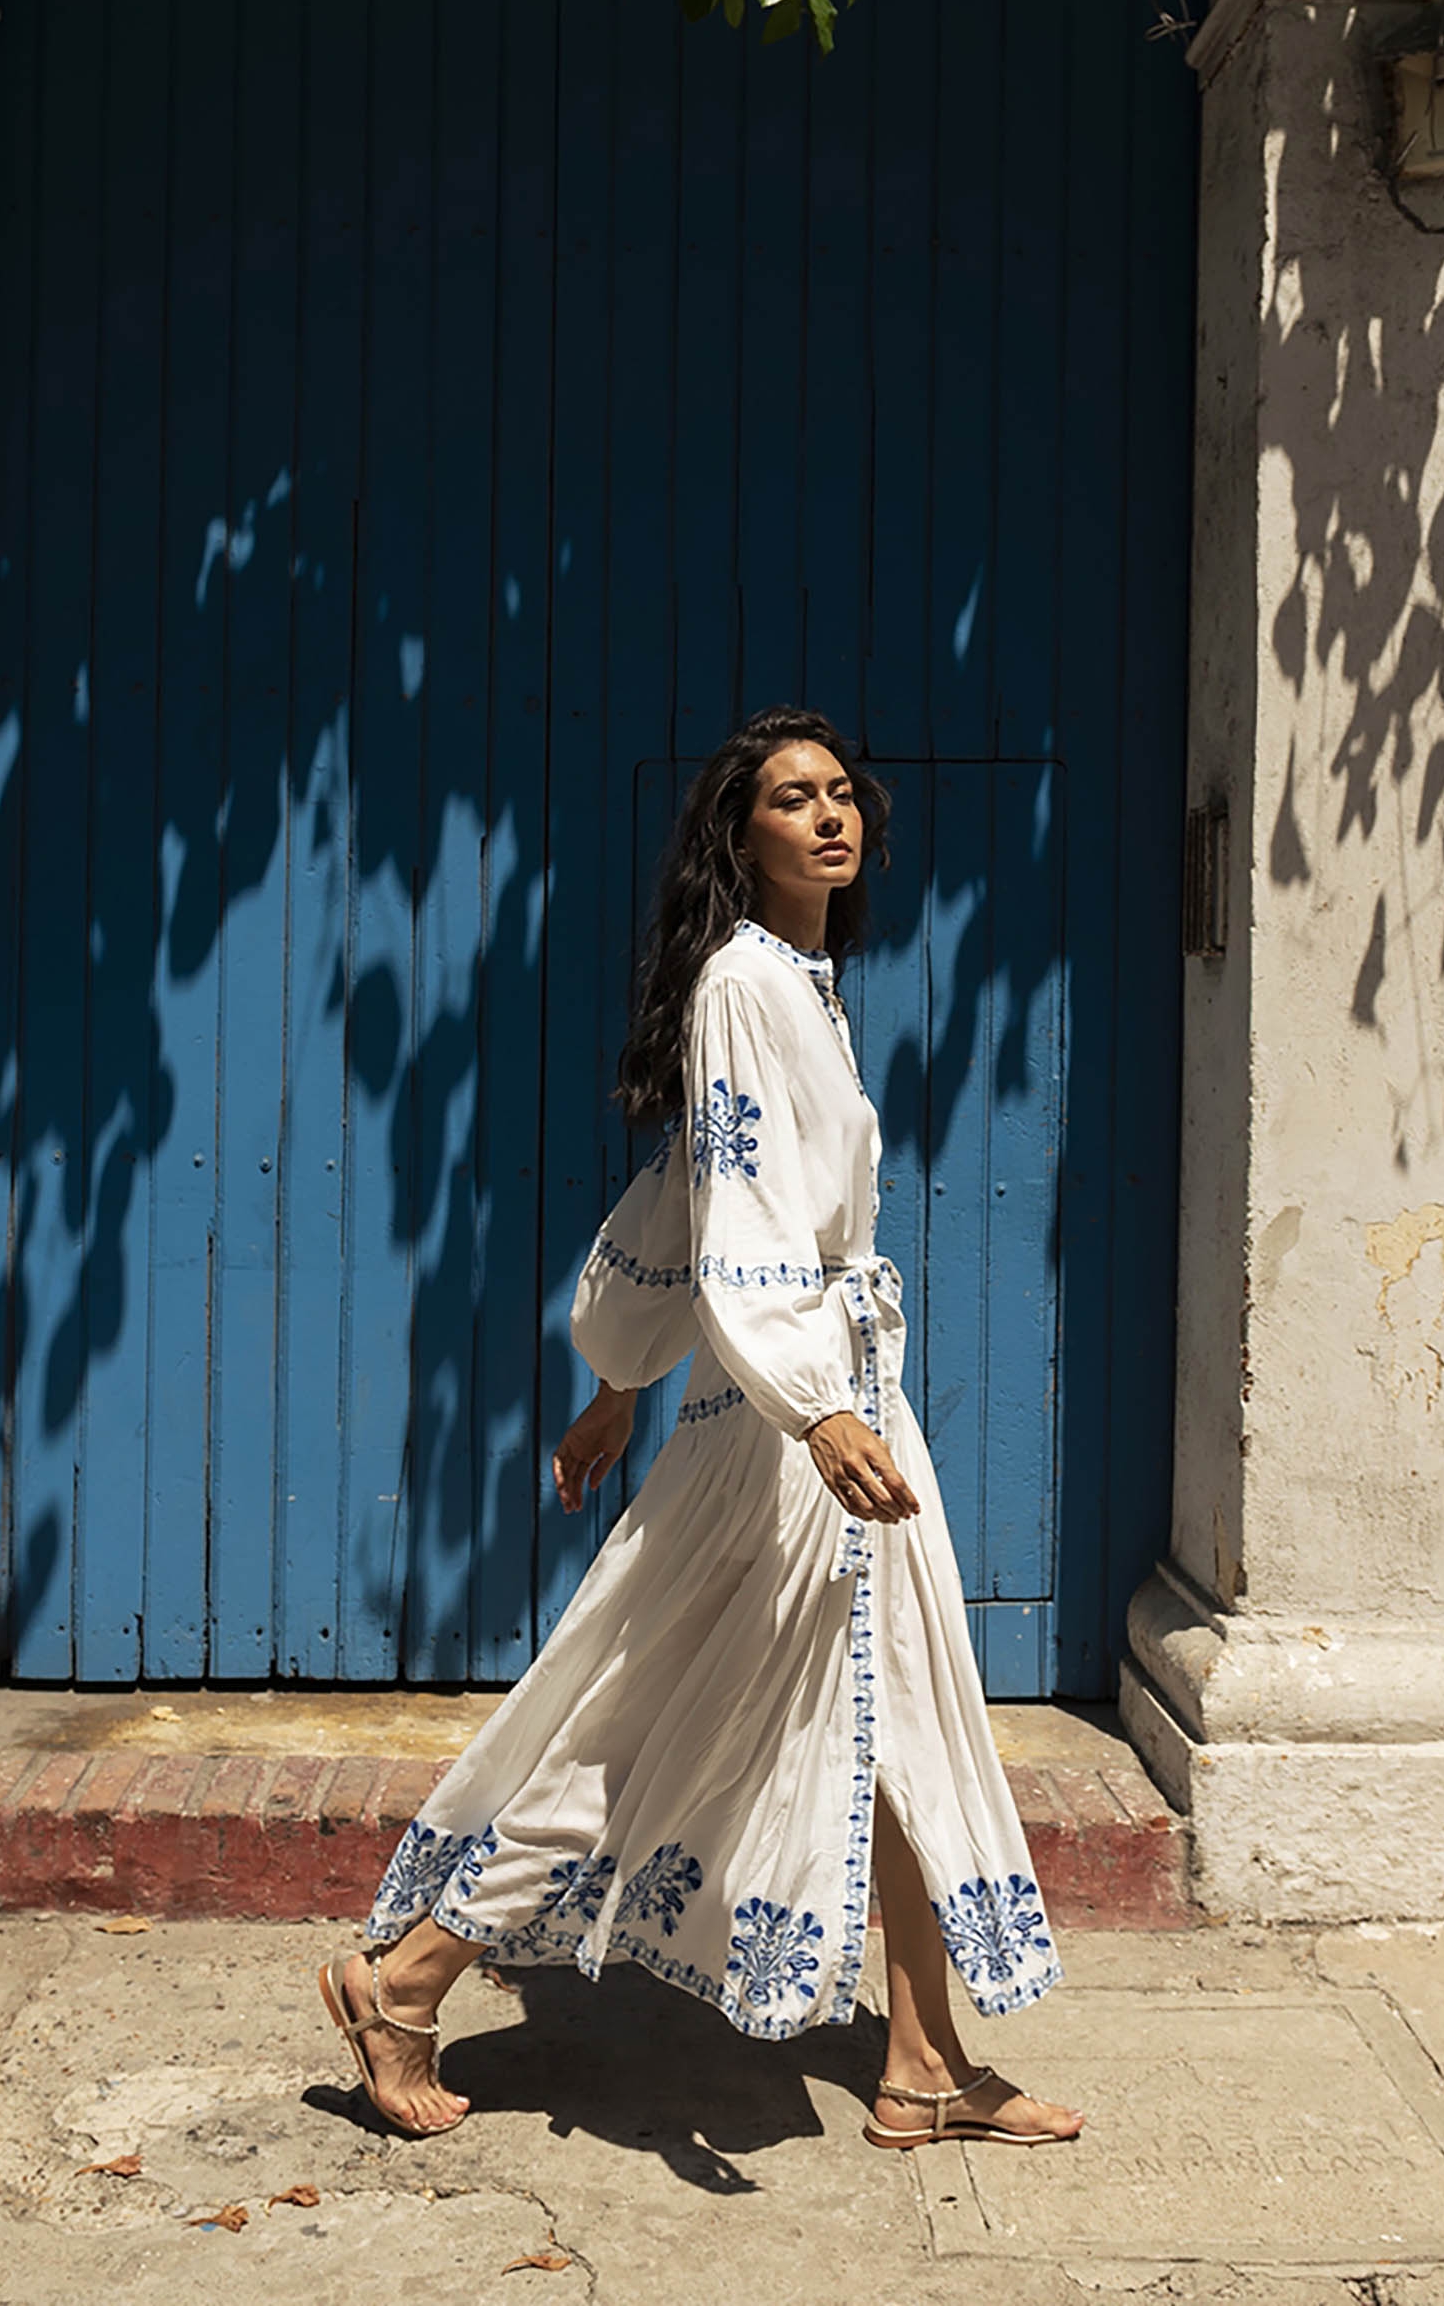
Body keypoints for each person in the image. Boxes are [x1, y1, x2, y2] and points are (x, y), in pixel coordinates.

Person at [319, 706, 1084, 2152]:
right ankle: (403, 1981)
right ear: (742, 838)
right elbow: (732, 1206)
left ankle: (921, 2064)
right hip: (799, 1431)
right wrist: (811, 1408)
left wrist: (622, 1374)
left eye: (842, 794)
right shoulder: (744, 981)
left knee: (904, 1713)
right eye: (793, 801)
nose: (829, 817)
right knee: (646, 1720)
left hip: (840, 1404)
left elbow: (684, 1183)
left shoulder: (800, 984)